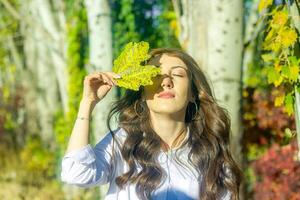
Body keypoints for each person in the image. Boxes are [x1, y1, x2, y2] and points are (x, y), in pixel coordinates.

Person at [61, 48, 243, 200]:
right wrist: (87, 103)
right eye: (155, 75)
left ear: (193, 94)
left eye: (178, 74)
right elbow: (76, 173)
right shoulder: (122, 142)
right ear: (142, 94)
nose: (166, 81)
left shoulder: (211, 153)